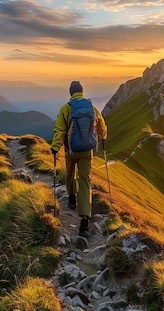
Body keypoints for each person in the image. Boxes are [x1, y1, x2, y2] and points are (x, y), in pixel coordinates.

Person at [51, 81, 107, 237]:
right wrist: (104, 136)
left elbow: (59, 130)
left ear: (71, 93)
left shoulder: (66, 108)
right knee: (85, 181)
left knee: (70, 173)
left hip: (71, 150)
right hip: (87, 151)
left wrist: (55, 147)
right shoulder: (92, 107)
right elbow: (102, 125)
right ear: (82, 92)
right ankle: (84, 221)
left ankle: (71, 199)